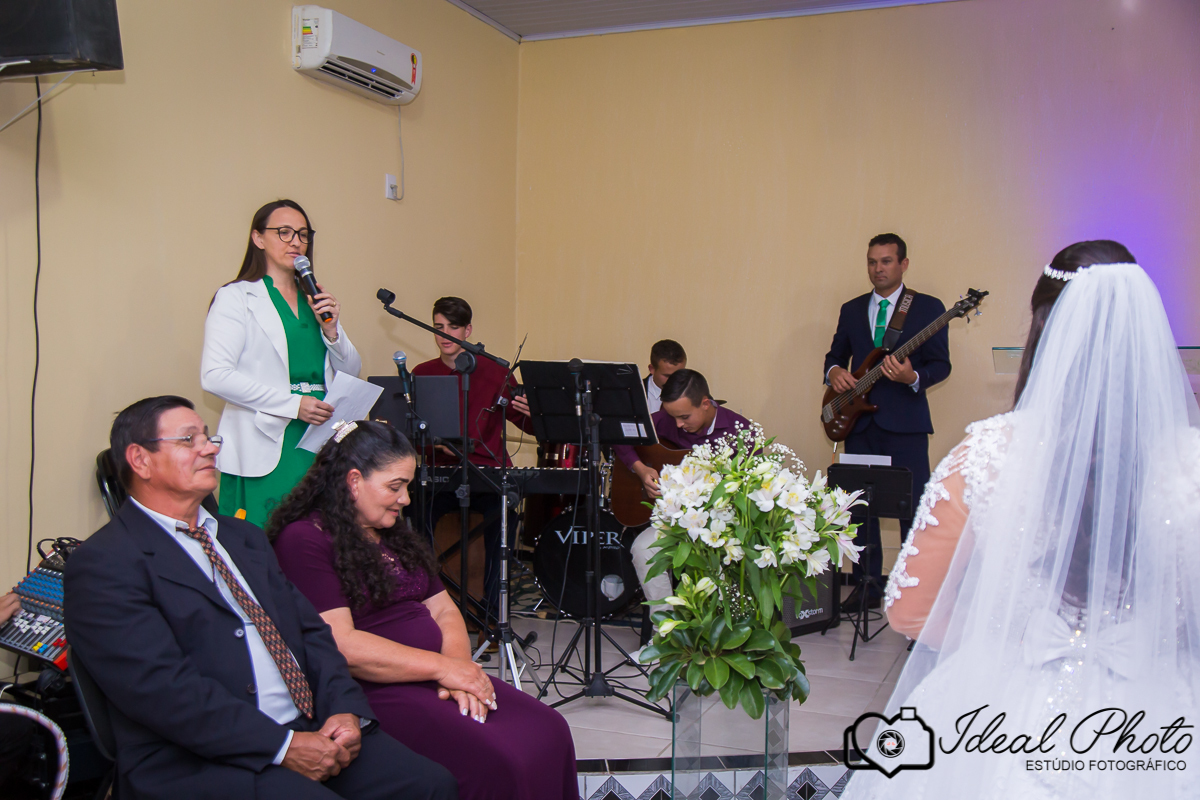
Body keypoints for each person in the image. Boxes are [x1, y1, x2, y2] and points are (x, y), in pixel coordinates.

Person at [844, 242, 1200, 799]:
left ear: (1041, 331)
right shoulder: (1190, 464)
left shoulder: (986, 454)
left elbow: (911, 610)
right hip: (1159, 722)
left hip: (1004, 713)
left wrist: (1000, 634)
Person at [62, 396, 455, 800]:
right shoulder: (104, 564)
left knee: (431, 786)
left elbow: (312, 634)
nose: (209, 448)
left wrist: (344, 709)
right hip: (199, 759)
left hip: (307, 727)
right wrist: (282, 747)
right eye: (189, 440)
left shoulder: (243, 538)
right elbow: (162, 691)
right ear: (140, 460)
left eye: (208, 437)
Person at [268, 420, 577, 800]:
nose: (405, 499)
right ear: (353, 481)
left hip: (438, 674)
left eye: (407, 487)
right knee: (501, 758)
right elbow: (341, 644)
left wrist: (458, 670)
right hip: (376, 689)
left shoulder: (393, 532)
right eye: (394, 487)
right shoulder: (304, 539)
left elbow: (445, 611)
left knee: (549, 729)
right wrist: (444, 669)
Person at [201, 199, 361, 527]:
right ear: (258, 238)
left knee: (318, 538)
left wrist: (331, 331)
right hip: (265, 437)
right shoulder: (236, 297)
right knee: (267, 539)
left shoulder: (314, 299)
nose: (295, 242)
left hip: (319, 436)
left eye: (302, 234)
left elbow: (351, 371)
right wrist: (293, 405)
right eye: (284, 232)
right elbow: (215, 376)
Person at [823, 233, 951, 606]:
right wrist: (834, 372)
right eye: (872, 262)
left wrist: (912, 377)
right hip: (858, 424)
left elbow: (941, 365)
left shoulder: (927, 307)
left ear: (903, 264)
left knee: (912, 509)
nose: (877, 269)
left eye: (886, 261)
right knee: (860, 509)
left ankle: (916, 591)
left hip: (906, 426)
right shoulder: (851, 309)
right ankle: (867, 586)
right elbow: (835, 355)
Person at [409, 297, 533, 618]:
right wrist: (434, 446)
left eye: (453, 327)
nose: (444, 335)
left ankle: (491, 615)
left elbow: (528, 425)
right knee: (413, 513)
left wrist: (535, 413)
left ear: (468, 330)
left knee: (504, 518)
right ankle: (426, 607)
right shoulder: (423, 373)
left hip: (486, 472)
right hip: (441, 474)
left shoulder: (496, 372)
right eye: (438, 327)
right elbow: (413, 436)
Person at [614, 369, 750, 617]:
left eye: (684, 417)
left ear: (706, 404)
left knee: (718, 559)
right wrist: (641, 470)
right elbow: (620, 437)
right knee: (643, 548)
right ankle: (666, 629)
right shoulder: (665, 421)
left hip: (718, 526)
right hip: (673, 522)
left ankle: (715, 627)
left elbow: (750, 488)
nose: (677, 424)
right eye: (673, 416)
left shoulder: (739, 430)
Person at [644, 339, 687, 413]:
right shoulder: (631, 393)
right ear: (652, 369)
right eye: (667, 376)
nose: (673, 380)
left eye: (678, 375)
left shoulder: (692, 394)